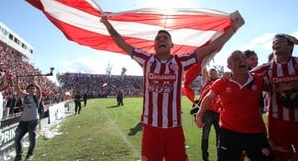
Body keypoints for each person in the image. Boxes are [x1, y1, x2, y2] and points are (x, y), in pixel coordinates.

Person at [100, 10, 244, 161]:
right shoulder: (146, 59)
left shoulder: (180, 62)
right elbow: (122, 43)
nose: (161, 39)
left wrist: (233, 28)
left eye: (165, 38)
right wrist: (107, 24)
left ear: (171, 45)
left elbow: (211, 47)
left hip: (174, 128)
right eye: (158, 38)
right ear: (154, 45)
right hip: (151, 128)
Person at [196, 50, 275, 161]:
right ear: (229, 66)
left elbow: (276, 88)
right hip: (229, 133)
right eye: (236, 59)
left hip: (255, 133)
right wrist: (199, 115)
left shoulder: (258, 80)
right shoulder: (221, 82)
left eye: (243, 58)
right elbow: (208, 98)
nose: (241, 60)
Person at [252, 34, 298, 161]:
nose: (276, 43)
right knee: (280, 156)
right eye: (274, 42)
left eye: (280, 41)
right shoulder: (265, 68)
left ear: (290, 46)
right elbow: (244, 77)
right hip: (277, 120)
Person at [14, 77, 42, 161]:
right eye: (30, 88)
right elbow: (17, 89)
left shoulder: (36, 97)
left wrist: (35, 83)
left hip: (33, 120)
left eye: (33, 89)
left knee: (32, 137)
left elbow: (39, 90)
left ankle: (30, 154)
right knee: (17, 138)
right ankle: (19, 155)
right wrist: (17, 80)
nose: (32, 90)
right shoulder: (25, 96)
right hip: (23, 121)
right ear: (27, 90)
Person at [199, 68, 221, 161]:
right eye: (210, 73)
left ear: (217, 73)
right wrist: (206, 58)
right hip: (208, 112)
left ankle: (220, 156)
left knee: (220, 136)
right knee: (205, 135)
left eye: (214, 72)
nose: (212, 74)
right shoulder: (206, 82)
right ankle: (205, 157)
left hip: (219, 112)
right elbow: (203, 69)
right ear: (208, 74)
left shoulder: (221, 82)